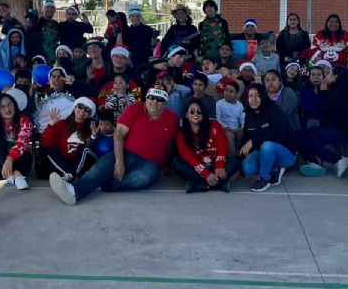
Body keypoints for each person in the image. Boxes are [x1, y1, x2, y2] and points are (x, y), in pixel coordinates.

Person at [48, 87, 179, 205]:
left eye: (159, 99)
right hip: (126, 153)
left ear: (165, 103)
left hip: (150, 163)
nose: (154, 102)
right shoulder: (135, 108)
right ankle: (74, 191)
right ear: (146, 99)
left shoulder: (172, 119)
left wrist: (167, 165)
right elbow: (118, 135)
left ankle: (104, 185)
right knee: (101, 167)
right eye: (151, 97)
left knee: (143, 178)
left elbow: (172, 144)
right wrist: (119, 162)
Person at [295, 64, 348, 178]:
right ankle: (316, 162)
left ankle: (337, 159)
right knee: (301, 135)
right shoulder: (310, 89)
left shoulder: (336, 91)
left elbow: (326, 110)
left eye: (329, 74)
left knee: (305, 137)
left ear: (336, 77)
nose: (327, 76)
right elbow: (307, 108)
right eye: (313, 75)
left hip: (339, 130)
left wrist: (323, 92)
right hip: (329, 126)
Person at [174, 98, 240, 192]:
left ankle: (199, 185)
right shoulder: (181, 133)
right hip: (198, 168)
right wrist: (206, 174)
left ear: (203, 114)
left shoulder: (214, 124)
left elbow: (223, 146)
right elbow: (189, 157)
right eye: (192, 111)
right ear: (186, 115)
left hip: (216, 166)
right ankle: (218, 185)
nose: (195, 114)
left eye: (199, 111)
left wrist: (219, 165)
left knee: (235, 161)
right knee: (178, 164)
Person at [240, 83, 295, 192]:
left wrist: (254, 141)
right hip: (263, 151)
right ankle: (275, 170)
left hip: (285, 153)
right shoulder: (249, 114)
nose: (253, 99)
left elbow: (278, 135)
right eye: (250, 96)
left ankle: (263, 179)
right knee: (247, 167)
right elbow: (246, 140)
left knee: (267, 145)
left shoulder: (273, 109)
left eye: (257, 95)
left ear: (263, 96)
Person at [41, 97, 96, 181]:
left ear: (89, 115)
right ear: (74, 108)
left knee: (84, 149)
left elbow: (90, 150)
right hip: (62, 162)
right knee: (50, 150)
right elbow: (46, 143)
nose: (82, 111)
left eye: (87, 110)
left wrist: (93, 136)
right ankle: (69, 175)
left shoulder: (91, 128)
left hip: (79, 163)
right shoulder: (62, 123)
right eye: (80, 106)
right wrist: (51, 125)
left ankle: (71, 176)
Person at [215, 78, 244, 152]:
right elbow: (217, 120)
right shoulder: (219, 104)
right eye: (226, 90)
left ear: (236, 94)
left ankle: (244, 154)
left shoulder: (240, 105)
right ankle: (233, 157)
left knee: (245, 132)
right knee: (229, 136)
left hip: (236, 129)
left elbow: (243, 119)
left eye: (231, 91)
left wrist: (242, 128)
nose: (227, 93)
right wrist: (226, 128)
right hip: (224, 129)